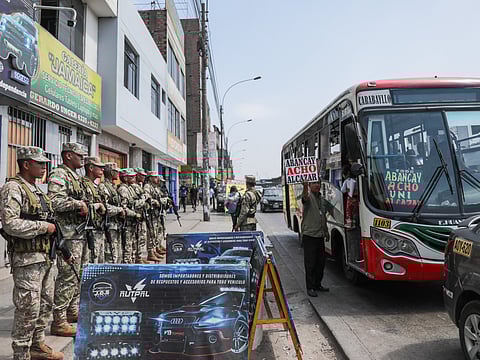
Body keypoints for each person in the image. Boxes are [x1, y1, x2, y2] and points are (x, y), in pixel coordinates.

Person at [0, 146, 66, 360]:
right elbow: (10, 224)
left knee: (45, 304)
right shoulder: (13, 188)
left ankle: (37, 346)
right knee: (28, 308)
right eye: (40, 163)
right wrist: (42, 228)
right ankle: (21, 353)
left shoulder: (37, 190)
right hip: (27, 260)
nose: (44, 167)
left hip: (45, 257)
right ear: (26, 164)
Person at [48, 142, 88, 337]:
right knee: (67, 276)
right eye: (79, 155)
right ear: (68, 156)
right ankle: (59, 320)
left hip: (77, 234)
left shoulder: (75, 176)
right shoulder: (59, 175)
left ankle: (72, 311)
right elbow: (54, 201)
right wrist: (78, 203)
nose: (83, 158)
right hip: (67, 236)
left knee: (76, 276)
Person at [301, 180, 329, 297]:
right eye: (314, 183)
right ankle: (310, 287)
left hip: (320, 235)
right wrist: (305, 186)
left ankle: (318, 284)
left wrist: (326, 232)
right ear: (310, 185)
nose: (317, 185)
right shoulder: (308, 197)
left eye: (318, 183)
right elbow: (304, 198)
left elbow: (323, 217)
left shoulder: (322, 199)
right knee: (310, 263)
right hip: (309, 235)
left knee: (320, 262)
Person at [98, 162, 125, 264]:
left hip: (116, 225)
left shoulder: (113, 187)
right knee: (110, 256)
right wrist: (120, 210)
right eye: (116, 171)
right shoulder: (103, 187)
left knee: (118, 254)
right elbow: (105, 208)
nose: (118, 173)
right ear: (111, 172)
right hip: (109, 226)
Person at [81, 157, 107, 263]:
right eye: (99, 168)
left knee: (99, 262)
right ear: (91, 168)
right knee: (91, 263)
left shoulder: (94, 186)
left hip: (98, 228)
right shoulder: (83, 184)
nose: (102, 170)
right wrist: (98, 206)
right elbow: (83, 206)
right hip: (89, 231)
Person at [117, 169, 141, 264]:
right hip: (126, 223)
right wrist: (135, 214)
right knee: (127, 248)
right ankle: (128, 269)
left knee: (131, 246)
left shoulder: (129, 188)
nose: (134, 178)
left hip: (131, 222)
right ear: (125, 178)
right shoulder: (123, 189)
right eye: (131, 177)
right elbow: (124, 207)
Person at [341, 164, 358, 229]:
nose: (343, 176)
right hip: (355, 198)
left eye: (344, 174)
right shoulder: (354, 180)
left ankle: (350, 224)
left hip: (351, 198)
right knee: (354, 212)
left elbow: (343, 190)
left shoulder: (348, 181)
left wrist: (348, 190)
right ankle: (353, 224)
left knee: (349, 211)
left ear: (348, 173)